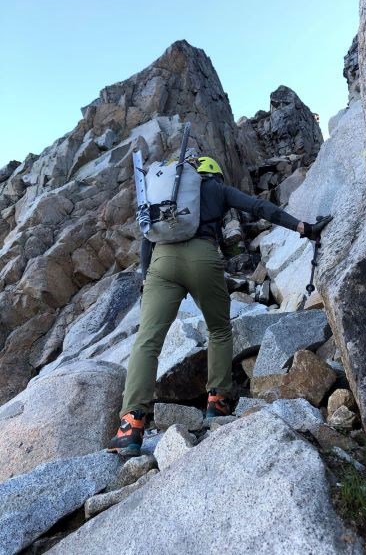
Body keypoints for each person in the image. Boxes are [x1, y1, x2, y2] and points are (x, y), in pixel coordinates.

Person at [107, 156, 332, 456]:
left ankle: (131, 424)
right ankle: (218, 401)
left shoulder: (167, 195)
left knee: (148, 341)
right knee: (219, 330)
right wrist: (302, 227)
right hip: (203, 257)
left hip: (161, 262)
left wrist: (147, 278)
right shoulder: (215, 188)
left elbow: (148, 236)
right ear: (213, 171)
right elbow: (259, 207)